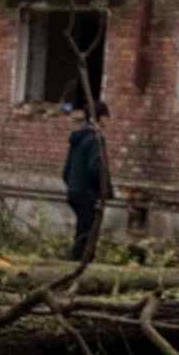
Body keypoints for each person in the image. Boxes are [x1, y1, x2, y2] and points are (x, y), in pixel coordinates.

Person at [61, 100, 111, 260]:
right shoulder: (96, 139)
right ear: (101, 118)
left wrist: (73, 185)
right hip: (87, 193)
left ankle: (77, 261)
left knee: (83, 229)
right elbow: (96, 168)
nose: (108, 121)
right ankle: (80, 263)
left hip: (74, 191)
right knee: (88, 233)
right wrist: (102, 192)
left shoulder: (78, 138)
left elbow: (66, 170)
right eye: (106, 117)